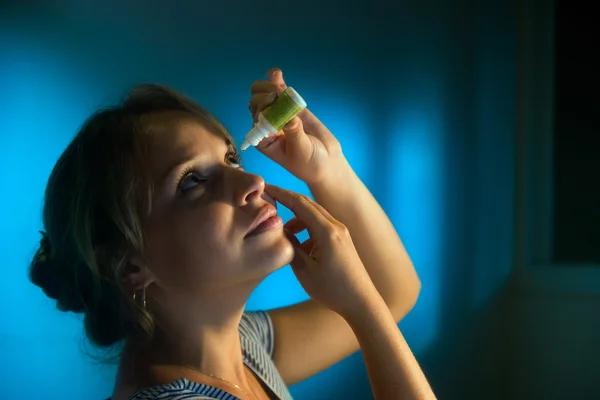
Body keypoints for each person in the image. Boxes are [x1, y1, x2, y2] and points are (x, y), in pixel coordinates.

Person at [29, 68, 435, 400]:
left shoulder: (243, 347)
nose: (253, 182)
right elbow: (380, 303)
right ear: (130, 263)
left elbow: (393, 292)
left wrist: (327, 168)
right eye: (191, 182)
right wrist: (360, 309)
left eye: (230, 159)